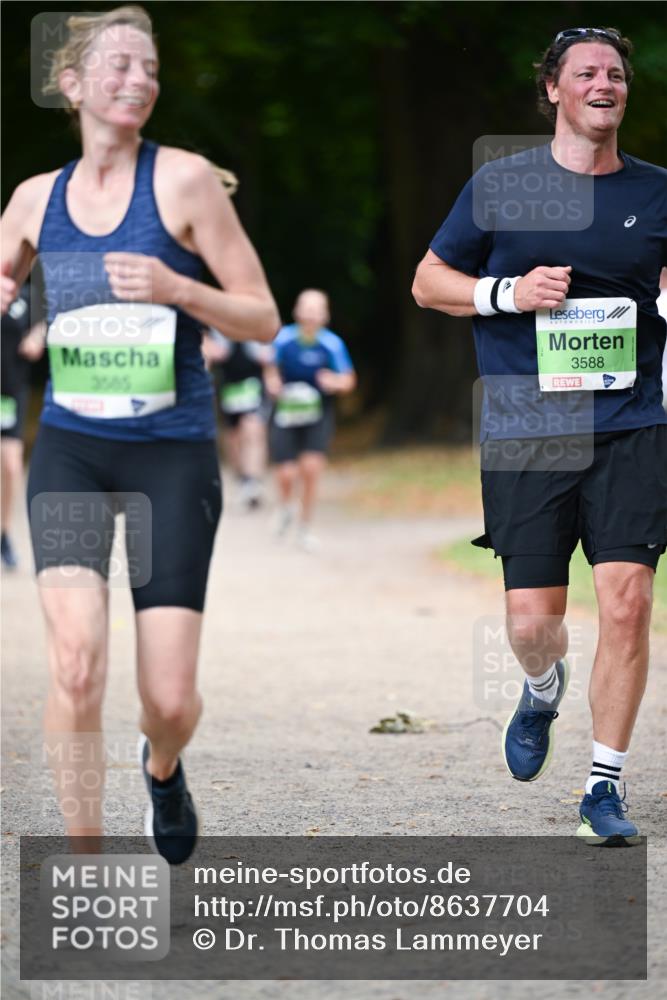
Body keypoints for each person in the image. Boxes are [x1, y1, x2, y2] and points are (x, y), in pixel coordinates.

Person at [0, 5, 279, 863]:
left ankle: (162, 767)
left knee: (169, 698)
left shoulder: (186, 182)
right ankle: (87, 865)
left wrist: (176, 286)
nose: (139, 79)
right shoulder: (32, 201)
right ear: (73, 85)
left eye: (150, 67)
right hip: (73, 452)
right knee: (76, 664)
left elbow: (262, 316)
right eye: (119, 64)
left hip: (172, 451)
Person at [413, 27, 666, 844]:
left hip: (634, 424)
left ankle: (602, 785)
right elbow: (428, 282)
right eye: (586, 72)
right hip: (530, 429)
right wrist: (506, 293)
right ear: (551, 89)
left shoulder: (658, 192)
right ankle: (543, 686)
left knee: (626, 604)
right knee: (530, 623)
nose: (605, 83)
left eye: (616, 74)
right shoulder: (502, 184)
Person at [266, 289, 356, 550]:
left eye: (317, 309)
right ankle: (285, 506)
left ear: (325, 315)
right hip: (286, 412)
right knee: (286, 473)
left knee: (311, 470)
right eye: (307, 308)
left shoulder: (332, 344)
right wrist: (273, 383)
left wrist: (334, 382)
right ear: (297, 311)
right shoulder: (283, 339)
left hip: (318, 413)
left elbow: (349, 380)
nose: (311, 314)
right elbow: (270, 369)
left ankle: (305, 527)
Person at [1, 282, 46, 568]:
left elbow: (51, 320)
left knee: (11, 465)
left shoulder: (28, 298)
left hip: (9, 395)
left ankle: (2, 534)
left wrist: (39, 334)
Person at [203, 328, 271, 509]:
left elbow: (272, 353)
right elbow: (207, 353)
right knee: (233, 437)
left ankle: (253, 480)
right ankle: (242, 478)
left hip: (254, 386)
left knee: (253, 429)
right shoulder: (216, 327)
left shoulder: (257, 323)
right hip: (229, 388)